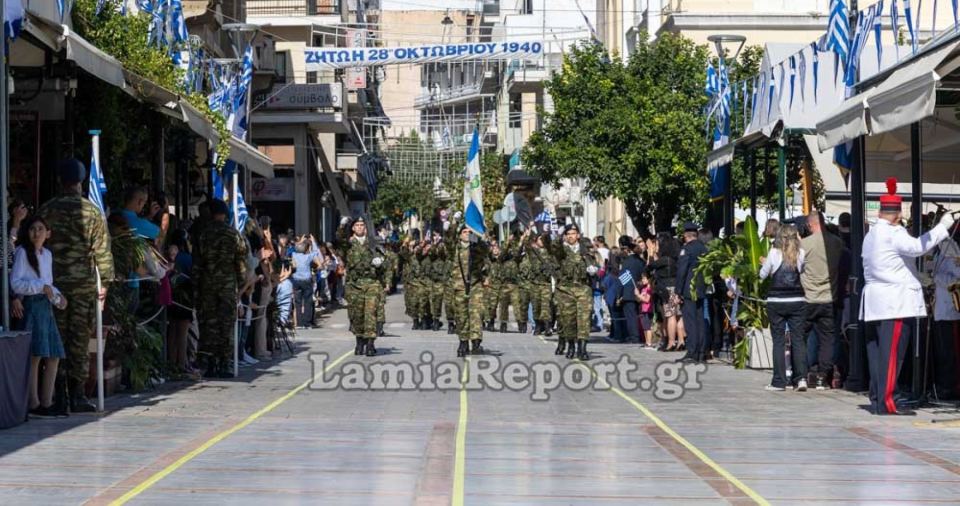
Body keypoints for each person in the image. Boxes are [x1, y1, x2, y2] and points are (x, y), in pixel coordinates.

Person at [862, 178, 953, 415]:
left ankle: (878, 397)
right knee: (892, 355)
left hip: (874, 302)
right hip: (895, 302)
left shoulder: (871, 235)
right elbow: (918, 247)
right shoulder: (892, 233)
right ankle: (888, 401)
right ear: (896, 214)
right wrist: (943, 227)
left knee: (877, 355)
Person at [37, 159, 114, 413]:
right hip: (82, 286)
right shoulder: (92, 213)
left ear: (61, 180)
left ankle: (58, 393)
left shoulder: (47, 210)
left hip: (53, 286)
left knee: (56, 340)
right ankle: (78, 393)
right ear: (81, 182)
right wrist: (106, 283)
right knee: (79, 340)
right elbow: (102, 252)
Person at [13, 216, 68, 418]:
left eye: (41, 229)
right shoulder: (21, 253)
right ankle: (33, 402)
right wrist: (39, 287)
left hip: (46, 306)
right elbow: (16, 283)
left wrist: (58, 298)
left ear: (48, 233)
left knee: (53, 354)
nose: (36, 233)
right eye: (33, 229)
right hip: (32, 305)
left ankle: (47, 401)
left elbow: (49, 283)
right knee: (35, 355)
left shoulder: (47, 255)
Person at [195, 199, 248, 378]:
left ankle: (210, 364)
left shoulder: (203, 234)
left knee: (209, 324)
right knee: (226, 325)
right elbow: (241, 260)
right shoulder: (233, 234)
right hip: (227, 284)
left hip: (207, 284)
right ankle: (225, 364)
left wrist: (197, 284)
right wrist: (241, 284)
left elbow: (198, 262)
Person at [759, 224, 808, 391]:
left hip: (777, 301)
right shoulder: (800, 253)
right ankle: (800, 378)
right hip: (797, 300)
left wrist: (765, 263)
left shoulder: (773, 253)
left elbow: (762, 274)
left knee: (779, 340)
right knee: (798, 340)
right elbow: (802, 271)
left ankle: (779, 381)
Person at [800, 211, 845, 389]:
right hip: (829, 298)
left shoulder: (804, 244)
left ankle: (802, 375)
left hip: (808, 298)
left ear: (811, 225)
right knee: (827, 339)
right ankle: (822, 376)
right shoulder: (837, 242)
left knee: (801, 337)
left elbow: (797, 266)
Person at [547, 223, 600, 359]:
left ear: (578, 235)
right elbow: (554, 247)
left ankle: (582, 349)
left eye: (573, 234)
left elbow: (595, 263)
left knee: (584, 319)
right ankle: (570, 345)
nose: (571, 236)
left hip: (583, 288)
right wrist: (557, 234)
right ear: (565, 236)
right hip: (566, 289)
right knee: (568, 320)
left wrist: (593, 268)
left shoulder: (585, 250)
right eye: (568, 234)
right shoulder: (562, 251)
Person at [338, 216, 388, 356]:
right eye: (357, 225)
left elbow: (386, 261)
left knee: (371, 313)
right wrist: (342, 227)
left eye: (362, 225)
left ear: (365, 227)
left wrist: (380, 262)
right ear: (353, 228)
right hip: (354, 285)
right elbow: (340, 240)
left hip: (372, 283)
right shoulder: (349, 244)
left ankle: (371, 343)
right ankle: (359, 341)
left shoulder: (373, 242)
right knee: (357, 314)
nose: (360, 227)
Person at [448, 223, 490, 356]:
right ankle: (463, 341)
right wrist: (452, 225)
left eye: (469, 232)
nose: (467, 234)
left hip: (475, 286)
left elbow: (485, 249)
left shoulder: (476, 249)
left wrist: (477, 236)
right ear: (460, 235)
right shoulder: (454, 249)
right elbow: (447, 240)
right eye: (465, 232)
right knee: (461, 315)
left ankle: (476, 342)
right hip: (460, 287)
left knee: (476, 314)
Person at [676, 222, 708, 363]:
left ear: (685, 235)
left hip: (689, 289)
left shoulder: (686, 249)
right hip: (701, 288)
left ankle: (692, 352)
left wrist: (678, 291)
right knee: (700, 320)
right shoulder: (703, 248)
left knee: (690, 321)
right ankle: (701, 352)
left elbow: (682, 271)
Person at [649, 233, 682, 351]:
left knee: (670, 315)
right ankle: (681, 341)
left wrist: (651, 253)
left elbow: (650, 266)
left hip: (667, 289)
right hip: (676, 287)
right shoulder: (675, 259)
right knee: (678, 316)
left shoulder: (664, 260)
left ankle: (671, 342)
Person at [618, 235, 645, 344]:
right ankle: (642, 335)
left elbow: (623, 279)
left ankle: (634, 337)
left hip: (629, 291)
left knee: (631, 316)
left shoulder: (627, 262)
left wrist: (619, 294)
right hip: (640, 289)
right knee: (640, 315)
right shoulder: (640, 260)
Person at [291, 235, 322, 328]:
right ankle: (307, 323)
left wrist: (301, 240)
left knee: (298, 302)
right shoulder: (308, 256)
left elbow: (294, 248)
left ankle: (299, 323)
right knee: (308, 301)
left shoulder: (294, 255)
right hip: (306, 280)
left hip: (296, 280)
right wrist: (313, 241)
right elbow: (316, 253)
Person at [634, 271, 656, 349]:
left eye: (644, 278)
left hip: (648, 310)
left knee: (647, 327)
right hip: (642, 309)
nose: (642, 280)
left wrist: (639, 295)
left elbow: (647, 300)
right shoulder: (643, 288)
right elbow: (639, 300)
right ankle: (646, 342)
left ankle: (649, 343)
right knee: (644, 327)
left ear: (649, 279)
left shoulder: (649, 288)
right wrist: (637, 295)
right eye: (642, 278)